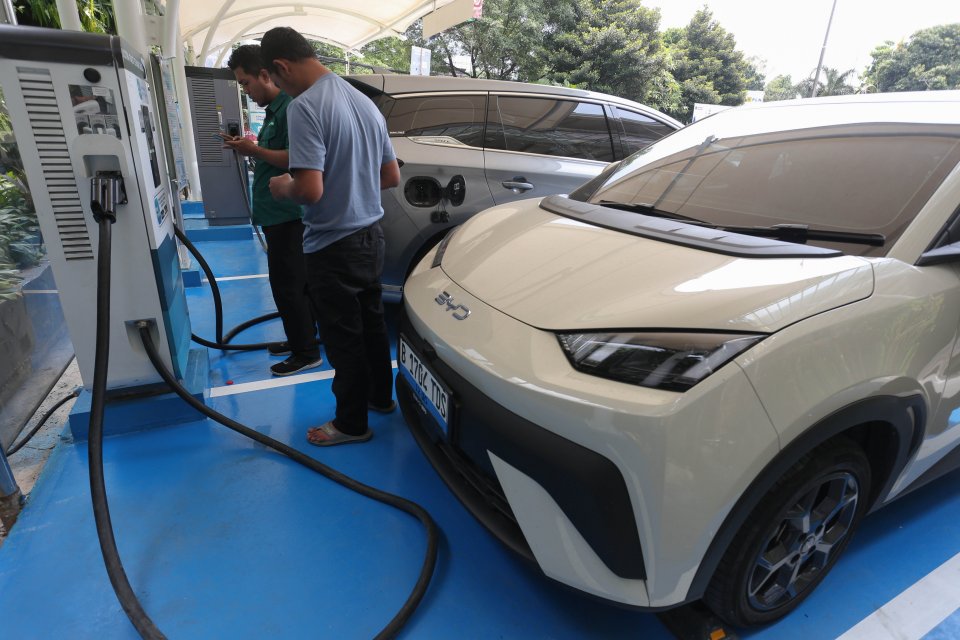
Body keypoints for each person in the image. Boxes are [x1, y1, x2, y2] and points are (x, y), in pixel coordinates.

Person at [260, 27, 401, 447]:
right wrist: (351, 181)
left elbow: (309, 190)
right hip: (369, 237)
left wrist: (281, 185)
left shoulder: (305, 107)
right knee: (372, 326)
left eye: (275, 79)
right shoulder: (363, 102)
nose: (278, 87)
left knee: (343, 338)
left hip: (333, 244)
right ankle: (380, 398)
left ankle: (351, 424)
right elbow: (391, 176)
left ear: (281, 67)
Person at [224, 44, 322, 377]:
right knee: (294, 284)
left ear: (266, 74)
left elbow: (298, 157)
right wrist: (249, 149)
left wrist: (255, 150)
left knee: (289, 286)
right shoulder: (275, 111)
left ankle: (306, 352)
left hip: (288, 215)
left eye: (246, 83)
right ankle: (301, 340)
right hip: (276, 213)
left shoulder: (291, 108)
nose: (246, 91)